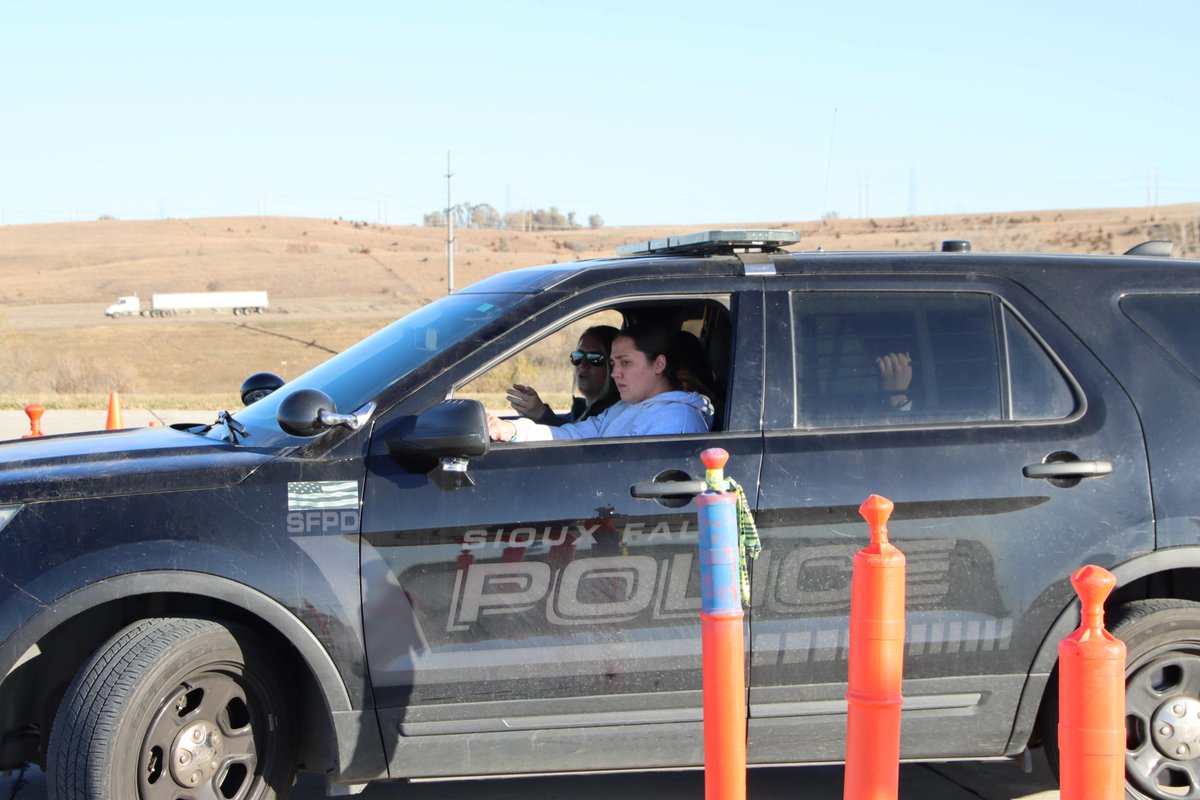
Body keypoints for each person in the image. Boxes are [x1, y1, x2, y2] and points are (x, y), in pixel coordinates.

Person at [488, 324, 713, 442]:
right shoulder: (623, 408)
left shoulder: (677, 421)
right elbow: (573, 435)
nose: (615, 373)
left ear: (659, 364)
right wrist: (513, 429)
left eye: (625, 363)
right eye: (614, 363)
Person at [506, 325, 620, 426]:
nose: (583, 365)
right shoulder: (580, 410)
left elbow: (577, 441)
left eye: (594, 358)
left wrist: (541, 415)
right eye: (578, 357)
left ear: (614, 365)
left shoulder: (613, 416)